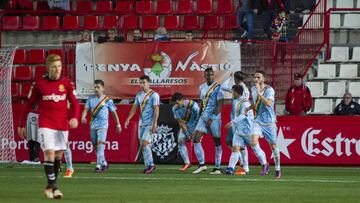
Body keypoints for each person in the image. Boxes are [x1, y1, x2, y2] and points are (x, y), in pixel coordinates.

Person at [17, 54, 80, 199]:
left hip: (62, 125)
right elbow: (28, 104)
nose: (57, 69)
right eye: (54, 67)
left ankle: (49, 186)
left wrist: (76, 117)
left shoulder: (67, 83)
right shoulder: (39, 84)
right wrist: (21, 124)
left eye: (59, 66)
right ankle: (55, 188)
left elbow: (75, 103)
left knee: (58, 156)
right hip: (46, 124)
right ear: (48, 68)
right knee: (49, 153)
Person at [224, 85, 268, 175]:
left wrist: (232, 122)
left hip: (249, 131)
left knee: (256, 149)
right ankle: (230, 169)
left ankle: (264, 164)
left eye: (232, 92)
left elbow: (243, 115)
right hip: (239, 132)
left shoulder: (245, 103)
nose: (231, 94)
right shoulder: (237, 101)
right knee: (235, 149)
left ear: (236, 92)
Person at [246, 70, 281, 179]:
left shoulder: (269, 90)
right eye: (255, 77)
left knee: (273, 146)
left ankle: (277, 168)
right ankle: (264, 164)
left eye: (258, 77)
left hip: (269, 122)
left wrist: (260, 93)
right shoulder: (253, 89)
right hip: (258, 121)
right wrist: (249, 107)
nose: (256, 79)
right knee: (253, 141)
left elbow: (268, 103)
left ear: (263, 79)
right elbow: (256, 103)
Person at [81, 79, 122, 173]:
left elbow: (114, 113)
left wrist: (118, 124)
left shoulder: (107, 100)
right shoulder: (90, 99)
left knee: (100, 144)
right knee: (95, 144)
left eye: (98, 87)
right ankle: (104, 163)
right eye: (95, 87)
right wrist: (83, 117)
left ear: (102, 88)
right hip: (93, 125)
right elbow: (86, 109)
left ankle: (98, 165)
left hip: (103, 125)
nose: (96, 89)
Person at [192, 68, 224, 174]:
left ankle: (218, 167)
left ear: (213, 75)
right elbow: (202, 103)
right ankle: (202, 164)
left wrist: (212, 117)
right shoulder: (201, 87)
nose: (210, 76)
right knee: (196, 138)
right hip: (203, 116)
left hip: (214, 118)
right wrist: (199, 117)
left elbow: (220, 104)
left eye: (211, 75)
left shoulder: (218, 88)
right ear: (204, 76)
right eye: (207, 75)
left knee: (217, 142)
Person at [125, 75, 160, 174]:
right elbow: (134, 107)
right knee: (143, 145)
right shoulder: (139, 95)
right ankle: (147, 166)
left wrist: (155, 123)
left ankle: (151, 165)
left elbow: (156, 109)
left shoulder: (154, 95)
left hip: (150, 123)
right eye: (140, 83)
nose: (142, 85)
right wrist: (128, 119)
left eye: (143, 82)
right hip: (141, 123)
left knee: (145, 143)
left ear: (149, 83)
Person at [221, 71, 250, 175]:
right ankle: (242, 166)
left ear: (236, 79)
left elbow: (223, 86)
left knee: (237, 144)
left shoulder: (238, 90)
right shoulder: (243, 89)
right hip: (237, 120)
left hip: (237, 121)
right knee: (234, 143)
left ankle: (243, 166)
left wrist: (229, 78)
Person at [171, 92, 200, 172]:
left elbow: (199, 117)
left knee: (196, 142)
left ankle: (202, 163)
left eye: (177, 103)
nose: (177, 105)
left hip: (196, 125)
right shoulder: (175, 108)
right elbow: (181, 122)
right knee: (180, 140)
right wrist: (187, 134)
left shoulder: (192, 105)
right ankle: (187, 162)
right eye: (175, 103)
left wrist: (196, 130)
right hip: (186, 126)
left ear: (182, 100)